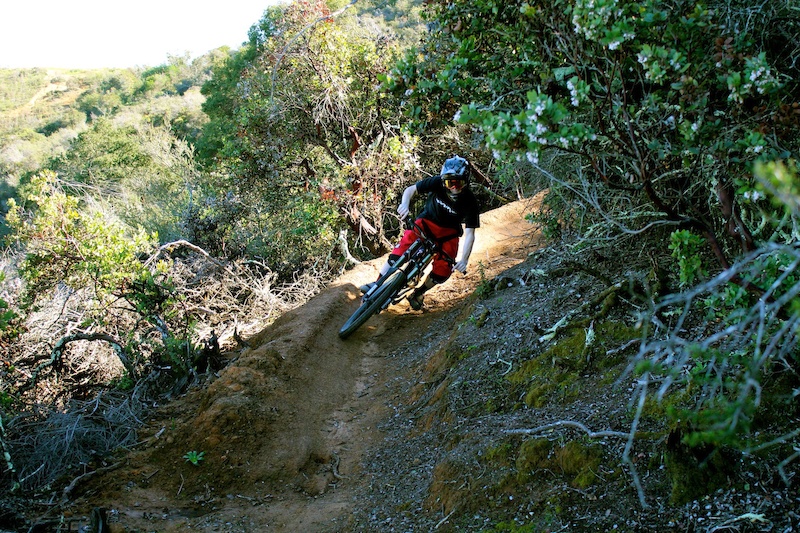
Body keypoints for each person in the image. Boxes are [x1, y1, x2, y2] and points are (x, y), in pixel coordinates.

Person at [361, 155, 480, 310]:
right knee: (402, 248)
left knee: (443, 270)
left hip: (448, 235)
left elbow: (470, 233)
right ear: (443, 180)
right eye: (450, 183)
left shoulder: (470, 201)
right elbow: (411, 190)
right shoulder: (436, 182)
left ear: (466, 181)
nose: (454, 188)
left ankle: (419, 293)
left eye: (459, 182)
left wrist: (464, 260)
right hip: (426, 223)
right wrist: (404, 204)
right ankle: (377, 284)